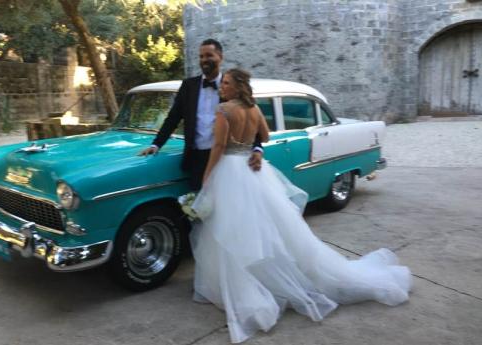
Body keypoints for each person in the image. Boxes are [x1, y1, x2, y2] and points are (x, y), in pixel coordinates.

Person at [190, 68, 412, 344]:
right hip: (253, 170)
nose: (221, 87)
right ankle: (261, 278)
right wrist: (254, 150)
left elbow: (218, 146)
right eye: (221, 83)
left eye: (225, 83)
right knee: (262, 227)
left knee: (232, 228)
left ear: (237, 87)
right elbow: (266, 137)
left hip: (230, 170)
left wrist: (207, 176)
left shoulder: (224, 111)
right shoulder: (254, 109)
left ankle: (242, 286)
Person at [139, 39, 263, 190]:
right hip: (196, 158)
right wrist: (156, 144)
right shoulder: (188, 85)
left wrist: (257, 148)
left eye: (209, 55)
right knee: (201, 205)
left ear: (220, 57)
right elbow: (173, 118)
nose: (204, 60)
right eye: (201, 56)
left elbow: (251, 121)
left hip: (226, 158)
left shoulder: (232, 86)